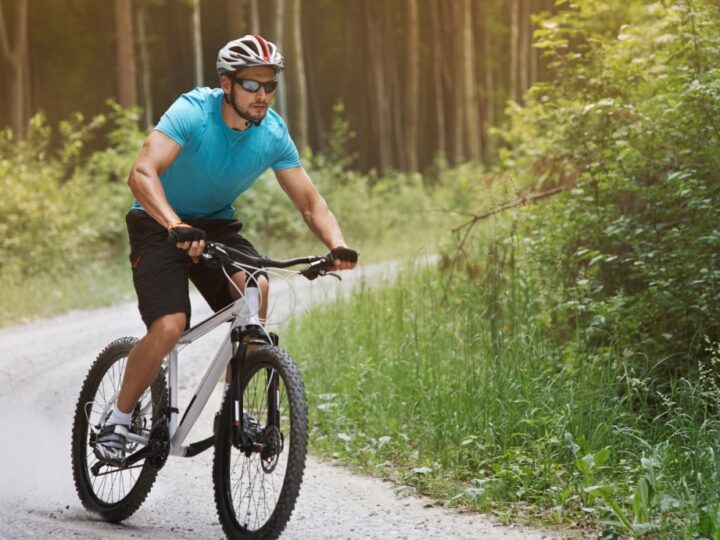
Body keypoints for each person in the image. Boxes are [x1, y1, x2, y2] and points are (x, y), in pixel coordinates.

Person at [94, 34, 358, 464]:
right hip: (157, 221)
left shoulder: (272, 133)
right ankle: (118, 420)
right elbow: (142, 173)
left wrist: (337, 244)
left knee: (256, 289)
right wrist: (175, 224)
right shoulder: (193, 112)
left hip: (215, 224)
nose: (262, 95)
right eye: (251, 85)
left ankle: (232, 411)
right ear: (227, 84)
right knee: (170, 325)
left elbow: (310, 202)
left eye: (269, 86)